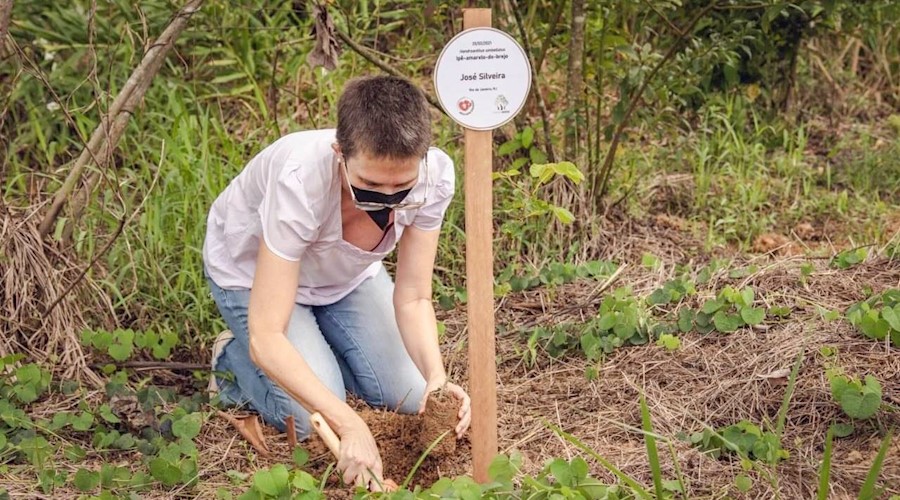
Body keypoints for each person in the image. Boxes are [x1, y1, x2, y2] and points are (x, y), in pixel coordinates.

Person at [202, 75, 471, 491]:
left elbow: (415, 295)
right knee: (315, 415)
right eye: (371, 186)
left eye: (402, 187)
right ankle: (231, 362)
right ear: (339, 154)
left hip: (343, 278)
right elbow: (269, 335)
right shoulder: (299, 180)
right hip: (252, 276)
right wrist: (349, 424)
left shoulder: (436, 176)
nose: (388, 199)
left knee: (411, 394)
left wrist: (437, 380)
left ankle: (322, 348)